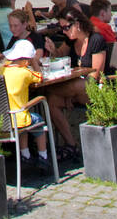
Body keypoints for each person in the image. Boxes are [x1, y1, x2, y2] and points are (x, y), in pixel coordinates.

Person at [45, 10, 110, 159]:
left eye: (66, 27)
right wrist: (52, 50)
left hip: (95, 88)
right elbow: (59, 56)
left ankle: (63, 95)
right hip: (75, 92)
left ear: (78, 25)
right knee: (52, 101)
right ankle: (71, 144)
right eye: (62, 28)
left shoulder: (96, 40)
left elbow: (95, 74)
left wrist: (70, 96)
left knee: (73, 84)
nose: (64, 31)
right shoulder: (71, 41)